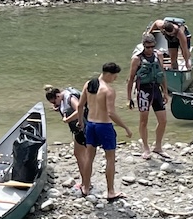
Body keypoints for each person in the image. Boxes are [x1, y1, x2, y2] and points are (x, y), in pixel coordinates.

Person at [79, 63, 133, 200]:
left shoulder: (89, 84)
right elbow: (111, 113)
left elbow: (80, 106)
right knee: (110, 159)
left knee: (89, 157)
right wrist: (125, 127)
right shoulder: (108, 90)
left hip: (90, 124)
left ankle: (85, 187)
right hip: (104, 126)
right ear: (109, 74)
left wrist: (80, 122)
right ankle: (110, 191)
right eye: (115, 76)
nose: (115, 79)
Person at [127, 33, 171, 159]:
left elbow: (161, 74)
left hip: (156, 90)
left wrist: (165, 92)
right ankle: (146, 148)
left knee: (163, 120)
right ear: (143, 46)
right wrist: (129, 98)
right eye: (147, 47)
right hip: (143, 92)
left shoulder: (159, 55)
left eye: (152, 47)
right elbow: (130, 79)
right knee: (143, 121)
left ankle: (158, 146)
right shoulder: (137, 59)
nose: (150, 49)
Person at [46, 84, 87, 193]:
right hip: (79, 130)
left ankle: (86, 183)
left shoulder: (70, 98)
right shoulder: (63, 97)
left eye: (54, 102)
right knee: (81, 155)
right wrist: (57, 107)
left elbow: (79, 110)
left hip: (83, 129)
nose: (54, 104)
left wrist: (67, 119)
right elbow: (64, 107)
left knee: (80, 155)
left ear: (58, 96)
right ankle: (86, 182)